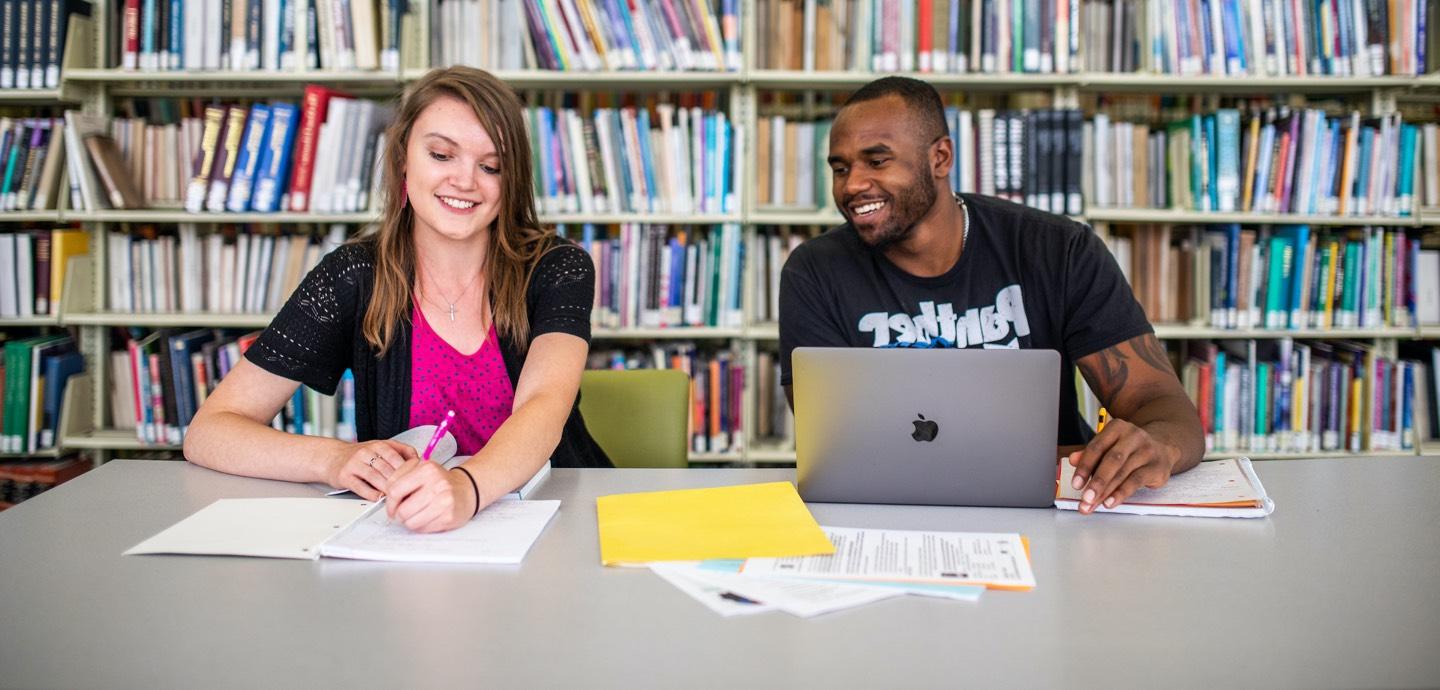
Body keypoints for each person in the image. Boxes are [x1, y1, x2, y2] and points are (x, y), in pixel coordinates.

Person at [186, 66, 611, 533]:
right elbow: (211, 431)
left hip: (553, 518)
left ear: (511, 182)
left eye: (491, 166)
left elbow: (545, 406)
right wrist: (335, 459)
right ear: (404, 158)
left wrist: (464, 489)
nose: (465, 180)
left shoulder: (557, 266)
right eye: (441, 154)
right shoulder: (352, 275)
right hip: (409, 531)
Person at [779, 76, 1204, 514]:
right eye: (841, 167)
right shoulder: (814, 272)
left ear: (940, 157)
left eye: (877, 161)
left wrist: (1159, 447)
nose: (852, 186)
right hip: (888, 510)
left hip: (1051, 506)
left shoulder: (1058, 250)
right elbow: (831, 443)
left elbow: (1161, 403)